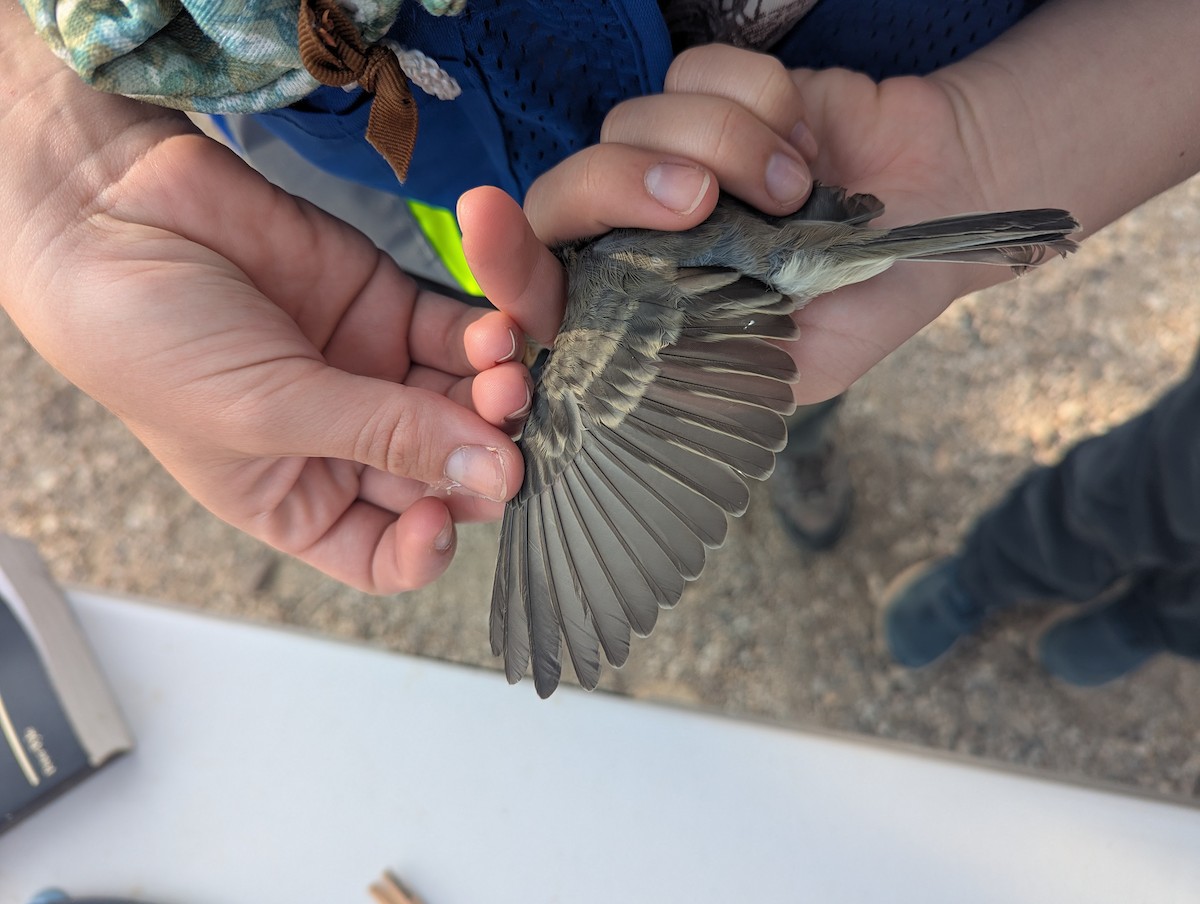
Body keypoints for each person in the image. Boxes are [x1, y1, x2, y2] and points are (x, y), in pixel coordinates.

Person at [2, 0, 1197, 606]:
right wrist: (53, 162)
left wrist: (991, 135)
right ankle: (772, 427)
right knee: (516, 330)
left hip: (847, 131)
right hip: (397, 173)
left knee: (630, 366)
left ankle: (788, 434)